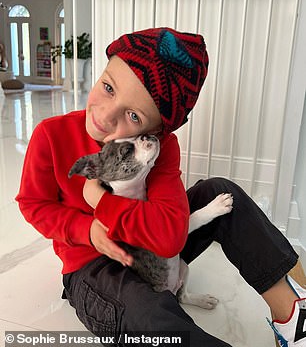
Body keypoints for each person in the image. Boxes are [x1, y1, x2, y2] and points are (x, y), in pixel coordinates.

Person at [16, 27, 306, 347]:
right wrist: (88, 230)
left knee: (220, 191)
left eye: (134, 116)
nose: (107, 116)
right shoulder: (51, 134)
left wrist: (101, 201)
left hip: (153, 249)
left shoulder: (161, 146)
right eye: (109, 87)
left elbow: (169, 238)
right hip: (93, 265)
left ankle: (295, 314)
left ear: (158, 129)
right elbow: (33, 203)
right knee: (151, 317)